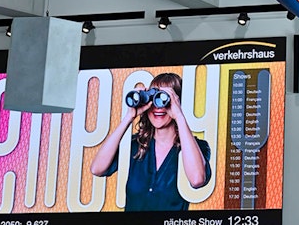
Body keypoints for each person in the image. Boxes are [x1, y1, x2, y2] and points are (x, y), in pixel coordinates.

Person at [90, 72, 212, 211]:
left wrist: (179, 115)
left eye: (164, 99)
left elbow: (197, 179)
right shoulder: (135, 145)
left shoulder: (197, 148)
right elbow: (97, 169)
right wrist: (129, 116)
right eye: (153, 98)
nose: (158, 107)